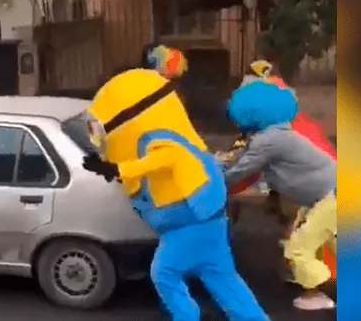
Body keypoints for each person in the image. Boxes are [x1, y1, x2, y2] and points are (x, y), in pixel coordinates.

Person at [81, 68, 269, 321]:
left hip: (192, 223)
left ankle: (188, 316)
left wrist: (118, 168)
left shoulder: (163, 141)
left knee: (165, 273)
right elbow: (150, 174)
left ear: (131, 115)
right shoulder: (157, 141)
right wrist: (116, 171)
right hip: (207, 221)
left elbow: (164, 159)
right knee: (222, 277)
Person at [222, 81, 337, 311]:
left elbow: (240, 170)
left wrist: (212, 178)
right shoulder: (281, 131)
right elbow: (242, 157)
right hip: (324, 196)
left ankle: (318, 294)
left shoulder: (270, 140)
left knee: (299, 248)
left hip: (328, 196)